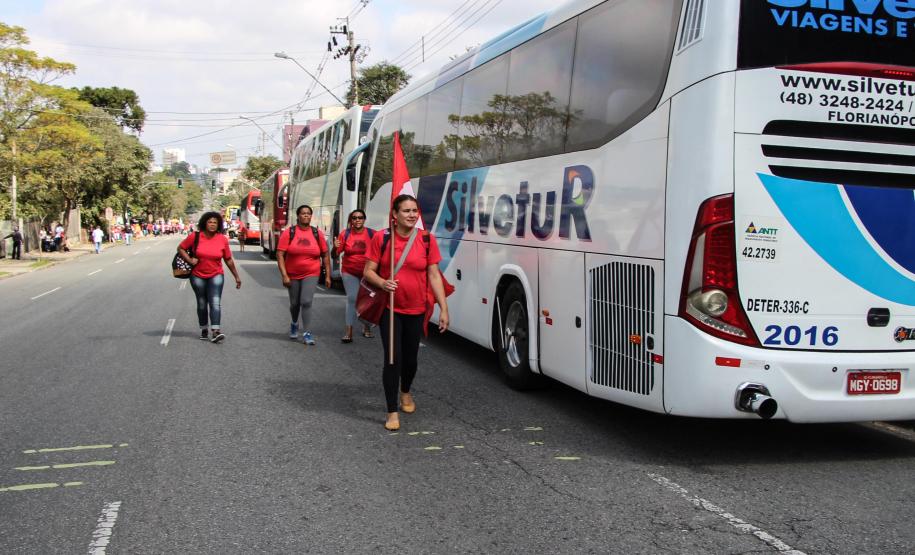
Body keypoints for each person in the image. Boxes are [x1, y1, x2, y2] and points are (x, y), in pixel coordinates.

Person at [363, 194, 450, 431]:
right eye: (406, 211)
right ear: (394, 214)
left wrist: (444, 308)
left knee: (410, 360)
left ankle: (406, 391)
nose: (412, 215)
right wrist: (382, 283)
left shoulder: (426, 239)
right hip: (390, 308)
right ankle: (392, 411)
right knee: (393, 359)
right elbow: (368, 271)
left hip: (416, 309)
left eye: (415, 211)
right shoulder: (382, 238)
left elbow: (434, 275)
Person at [177, 211, 242, 343]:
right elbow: (181, 248)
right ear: (204, 223)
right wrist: (190, 260)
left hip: (216, 274)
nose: (212, 225)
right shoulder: (195, 236)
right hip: (197, 276)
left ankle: (216, 331)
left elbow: (228, 259)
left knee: (215, 302)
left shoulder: (222, 239)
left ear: (218, 225)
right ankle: (204, 328)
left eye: (215, 222)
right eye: (210, 222)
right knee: (202, 303)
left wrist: (236, 276)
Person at [277, 205, 331, 345]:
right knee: (295, 303)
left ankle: (307, 332)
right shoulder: (289, 232)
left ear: (311, 216)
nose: (306, 216)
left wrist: (327, 276)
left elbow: (325, 255)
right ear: (298, 216)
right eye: (303, 213)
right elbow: (280, 254)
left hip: (311, 272)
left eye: (308, 214)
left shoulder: (316, 233)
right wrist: (284, 275)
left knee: (306, 301)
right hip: (292, 273)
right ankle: (294, 323)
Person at [333, 209, 376, 343]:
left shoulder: (372, 234)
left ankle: (366, 326)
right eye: (354, 218)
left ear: (364, 219)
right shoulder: (345, 234)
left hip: (368, 272)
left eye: (360, 217)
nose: (357, 220)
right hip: (349, 271)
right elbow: (334, 255)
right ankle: (349, 331)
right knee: (352, 298)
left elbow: (380, 251)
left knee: (368, 300)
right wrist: (334, 248)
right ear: (350, 220)